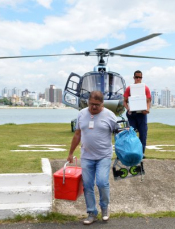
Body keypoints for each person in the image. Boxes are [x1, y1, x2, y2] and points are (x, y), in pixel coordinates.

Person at [67, 91, 117, 225]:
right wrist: (70, 153)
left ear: (102, 103)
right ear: (88, 102)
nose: (93, 107)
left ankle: (105, 208)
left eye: (97, 105)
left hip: (104, 156)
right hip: (87, 156)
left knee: (101, 182)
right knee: (87, 185)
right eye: (91, 104)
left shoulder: (110, 115)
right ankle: (91, 212)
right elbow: (77, 134)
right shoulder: (82, 114)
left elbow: (118, 133)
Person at [123, 70, 151, 157]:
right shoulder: (129, 88)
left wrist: (147, 109)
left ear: (141, 78)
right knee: (131, 133)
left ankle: (141, 153)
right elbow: (124, 101)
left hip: (142, 114)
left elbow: (149, 100)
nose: (138, 79)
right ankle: (130, 151)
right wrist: (128, 109)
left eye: (140, 77)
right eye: (136, 77)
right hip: (132, 114)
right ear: (134, 77)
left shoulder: (145, 88)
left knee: (143, 133)